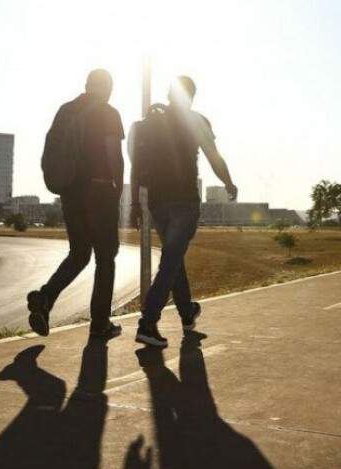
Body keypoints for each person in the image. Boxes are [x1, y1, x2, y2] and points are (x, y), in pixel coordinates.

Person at [130, 76, 237, 348]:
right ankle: (148, 321)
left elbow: (135, 164)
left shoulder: (152, 123)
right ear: (192, 96)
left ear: (169, 94)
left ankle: (187, 313)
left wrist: (134, 205)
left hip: (157, 203)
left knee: (173, 259)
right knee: (170, 261)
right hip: (183, 202)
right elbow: (213, 156)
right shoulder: (196, 121)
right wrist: (228, 182)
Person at [27, 69, 125, 339]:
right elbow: (115, 156)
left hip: (71, 193)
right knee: (106, 257)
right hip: (100, 191)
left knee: (79, 254)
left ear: (86, 86)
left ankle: (45, 298)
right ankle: (100, 323)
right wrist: (118, 192)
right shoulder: (108, 112)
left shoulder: (66, 110)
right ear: (107, 88)